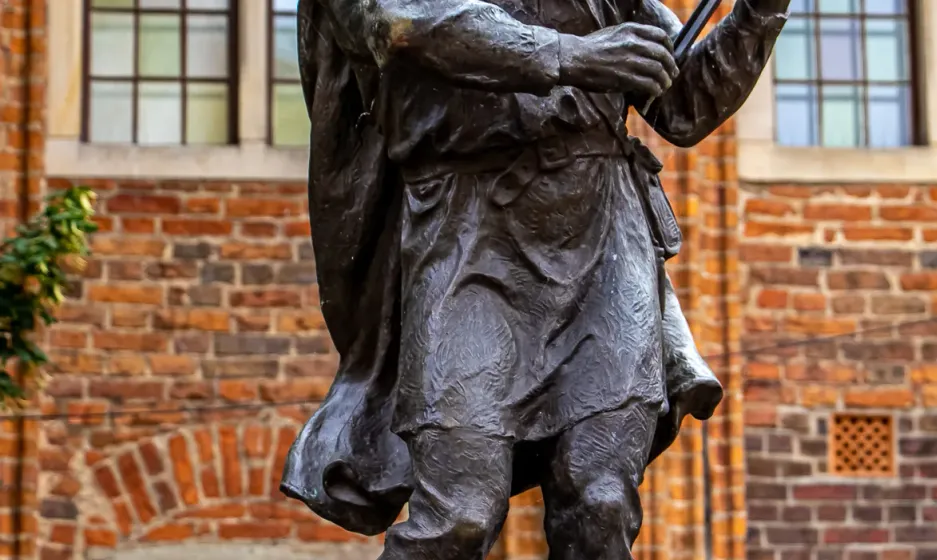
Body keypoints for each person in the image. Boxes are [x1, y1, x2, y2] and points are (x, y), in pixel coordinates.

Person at [280, 0, 790, 557]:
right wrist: (572, 56)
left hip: (601, 240)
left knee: (601, 501)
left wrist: (758, 14)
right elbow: (401, 25)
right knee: (459, 514)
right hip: (465, 233)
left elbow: (685, 102)